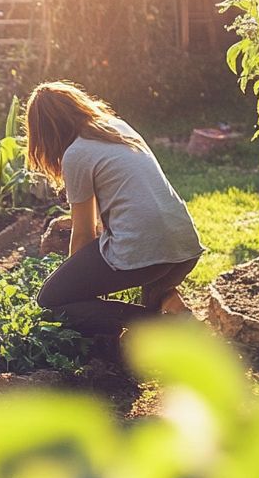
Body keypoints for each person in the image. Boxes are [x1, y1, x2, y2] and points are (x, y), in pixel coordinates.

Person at [25, 81, 204, 339]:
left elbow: (84, 233)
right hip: (182, 243)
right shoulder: (117, 128)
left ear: (45, 133)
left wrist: (80, 284)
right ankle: (179, 314)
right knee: (152, 283)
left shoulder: (76, 153)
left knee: (52, 300)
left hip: (148, 250)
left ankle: (157, 325)